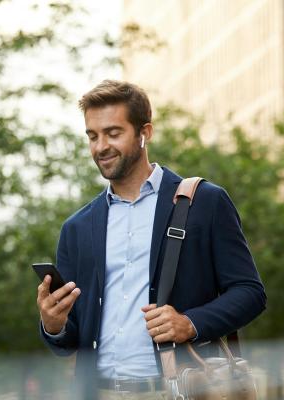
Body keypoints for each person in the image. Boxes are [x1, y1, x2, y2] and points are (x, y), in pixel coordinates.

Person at [36, 80, 266, 399]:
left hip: (181, 391)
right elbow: (69, 341)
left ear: (145, 133)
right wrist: (53, 324)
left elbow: (250, 293)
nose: (100, 146)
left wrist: (191, 322)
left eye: (113, 133)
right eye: (92, 135)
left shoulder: (205, 203)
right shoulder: (77, 228)